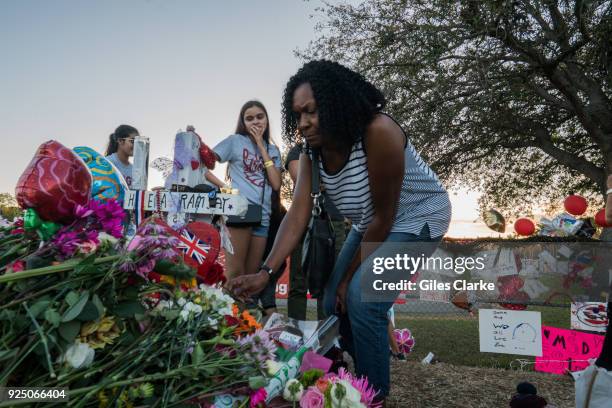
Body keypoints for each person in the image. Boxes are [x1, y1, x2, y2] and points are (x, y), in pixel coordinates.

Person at [227, 60, 451, 403]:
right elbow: (297, 214)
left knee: (362, 299)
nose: (303, 123)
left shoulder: (378, 132)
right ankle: (355, 375)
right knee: (333, 301)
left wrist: (348, 278)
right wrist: (265, 273)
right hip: (372, 222)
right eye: (297, 114)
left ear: (335, 104)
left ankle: (372, 396)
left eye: (311, 112)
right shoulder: (312, 153)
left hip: (418, 218)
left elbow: (385, 218)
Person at [211, 101, 282, 281]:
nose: (255, 122)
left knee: (249, 278)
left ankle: (241, 310)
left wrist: (260, 145)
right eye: (249, 118)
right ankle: (225, 309)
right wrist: (225, 188)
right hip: (240, 211)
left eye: (260, 116)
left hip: (263, 216)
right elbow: (205, 162)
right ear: (243, 123)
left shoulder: (273, 150)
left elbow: (275, 183)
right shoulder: (235, 142)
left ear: (266, 119)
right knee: (234, 274)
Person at [285, 143, 347, 320]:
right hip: (302, 220)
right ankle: (294, 331)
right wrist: (326, 179)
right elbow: (300, 180)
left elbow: (343, 179)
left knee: (330, 281)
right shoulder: (298, 151)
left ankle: (325, 334)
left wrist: (317, 180)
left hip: (335, 220)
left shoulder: (336, 148)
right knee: (298, 282)